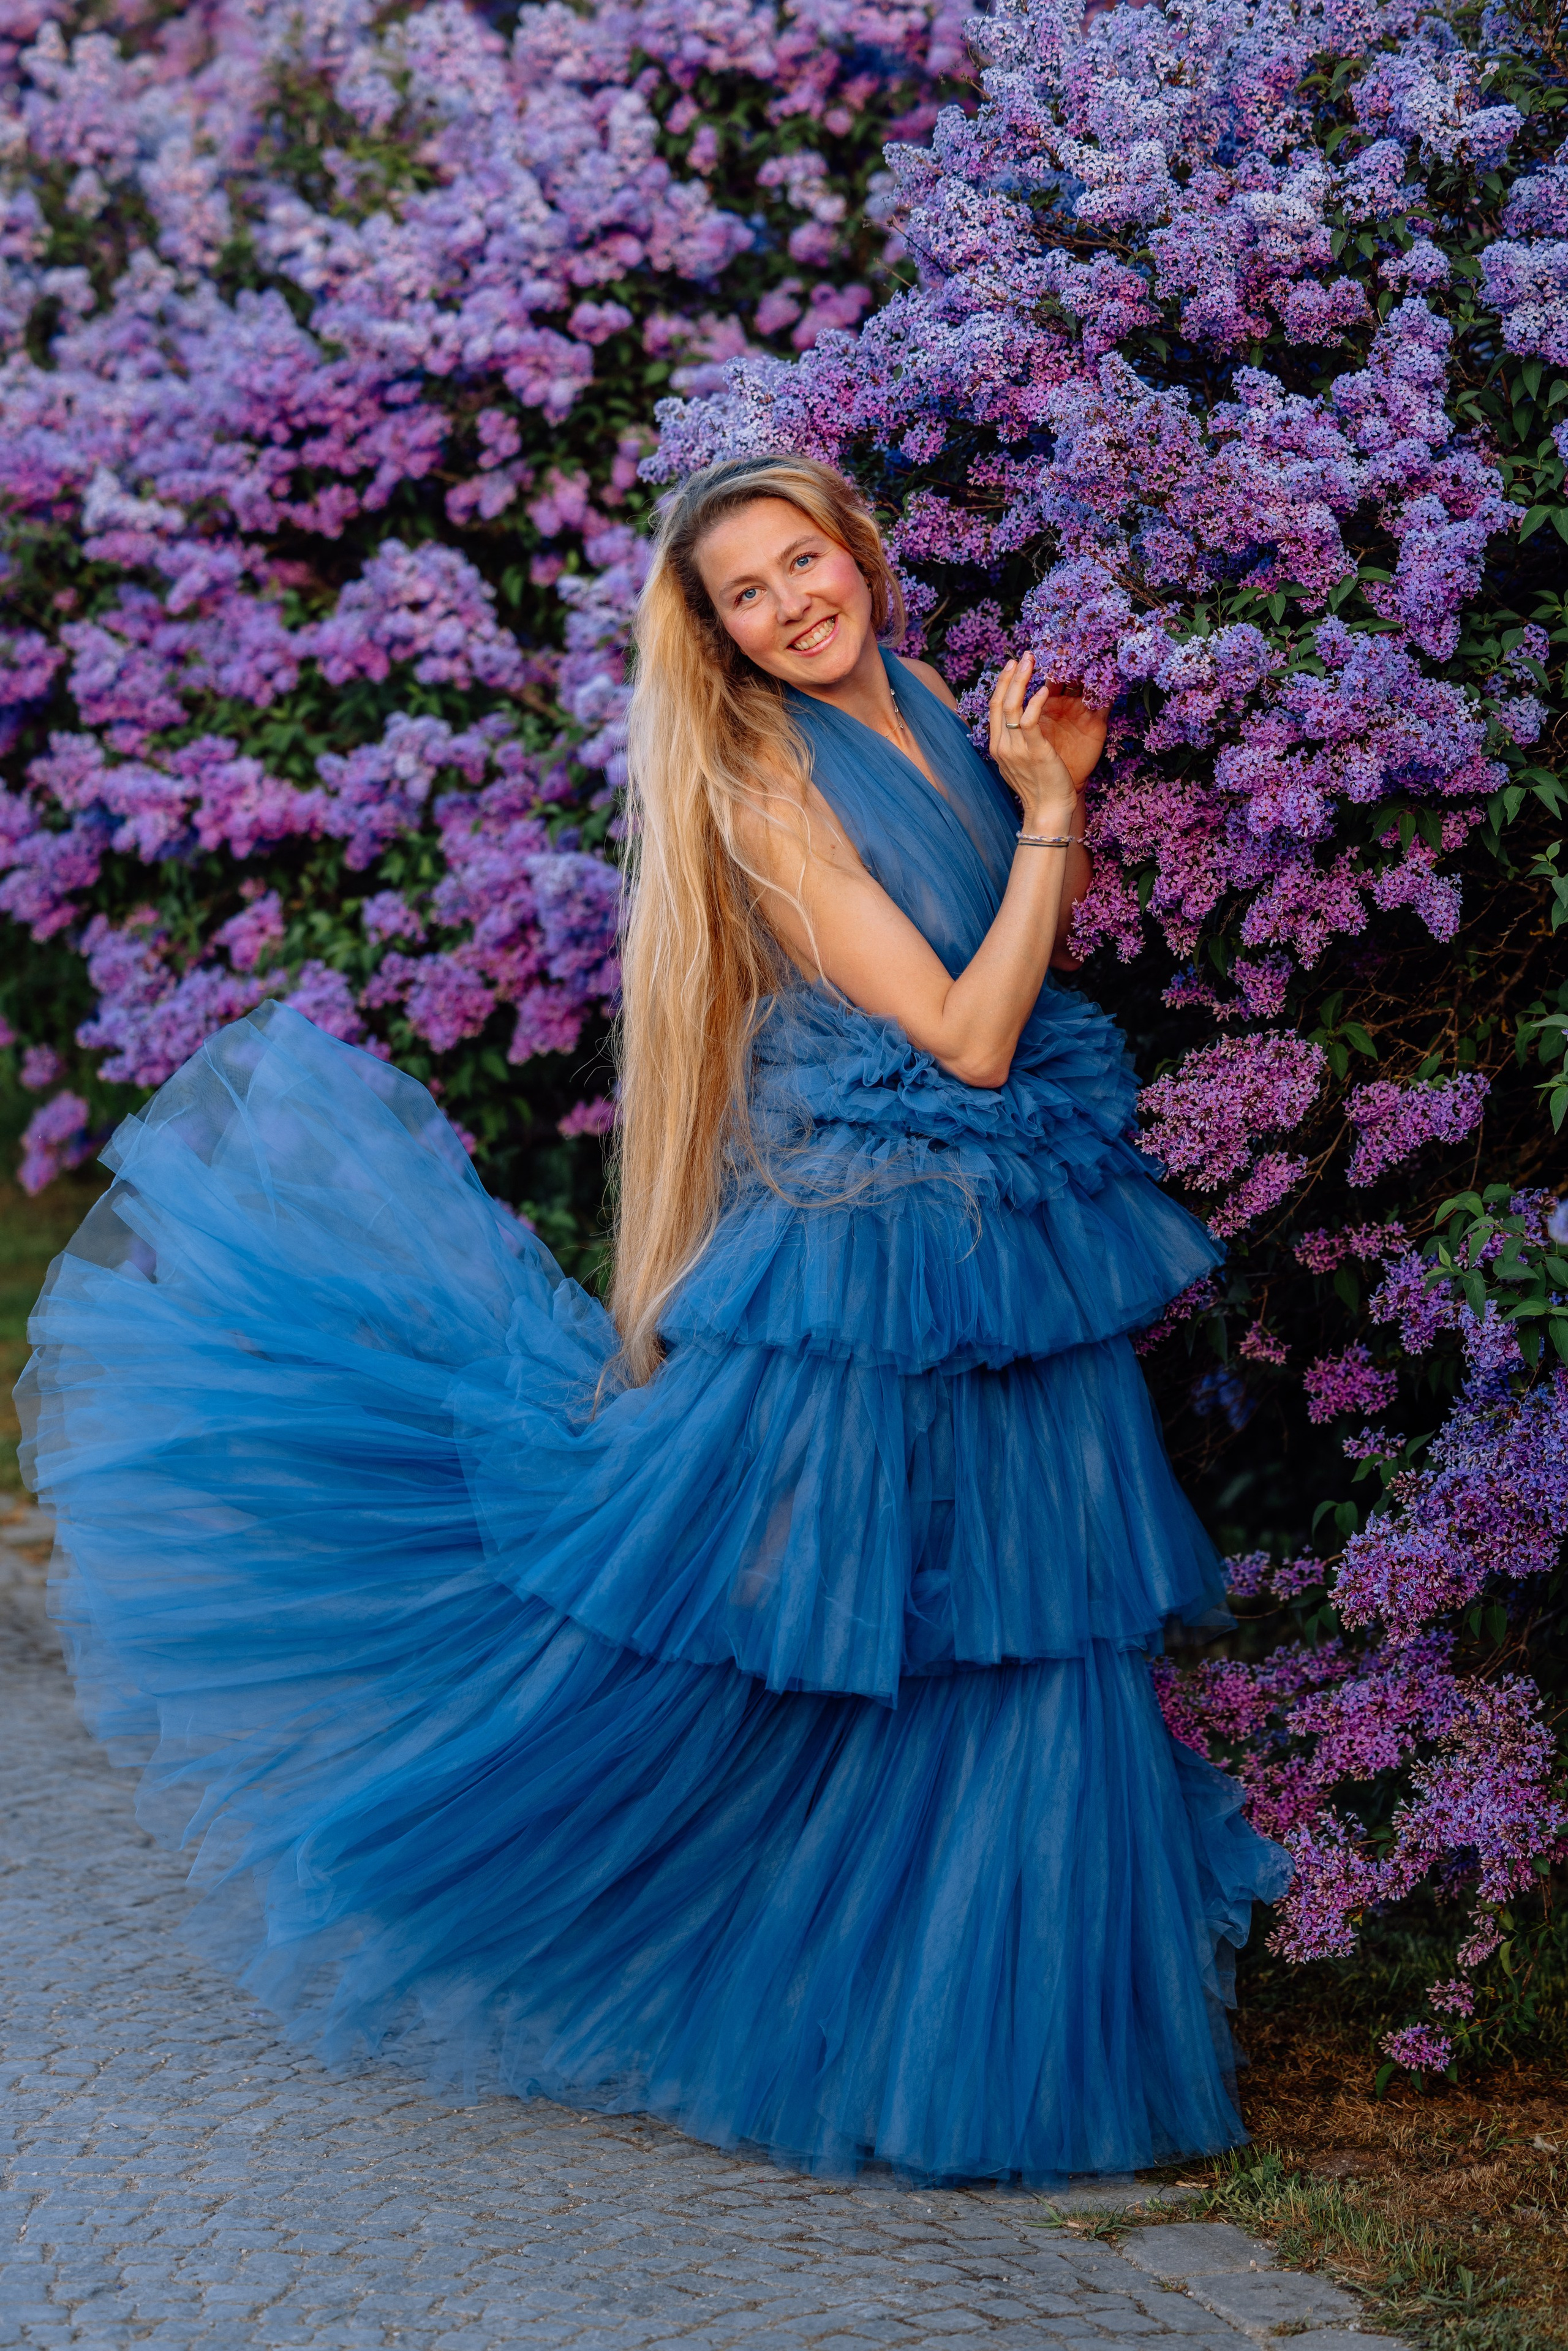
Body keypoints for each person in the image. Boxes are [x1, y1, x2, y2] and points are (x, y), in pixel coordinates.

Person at [20, 455, 1290, 2187]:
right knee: (826, 1640)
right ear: (717, 638)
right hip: (878, 1246)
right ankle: (627, 1921)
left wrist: (1025, 782)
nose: (789, 607)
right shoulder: (765, 780)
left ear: (858, 548)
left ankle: (990, 2051)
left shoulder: (924, 694)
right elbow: (973, 1037)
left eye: (800, 563)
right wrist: (1056, 805)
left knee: (1030, 1627)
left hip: (1008, 1236)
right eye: (746, 596)